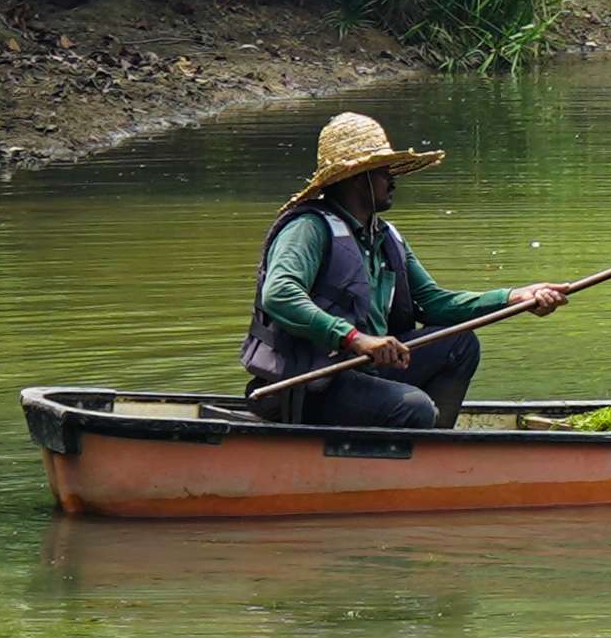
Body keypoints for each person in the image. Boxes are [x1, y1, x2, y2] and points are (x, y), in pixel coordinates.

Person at [243, 113, 572, 429]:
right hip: (311, 382)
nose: (393, 179)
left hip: (365, 372)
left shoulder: (385, 237)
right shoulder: (308, 229)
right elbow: (279, 294)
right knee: (413, 406)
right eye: (384, 171)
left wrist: (516, 297)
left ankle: (431, 451)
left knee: (460, 344)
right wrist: (355, 339)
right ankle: (413, 447)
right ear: (358, 177)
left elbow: (434, 303)